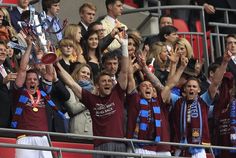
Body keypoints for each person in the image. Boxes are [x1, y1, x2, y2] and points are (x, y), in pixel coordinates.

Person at [56, 34, 129, 158]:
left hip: (119, 145)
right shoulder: (91, 99)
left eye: (109, 81)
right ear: (97, 86)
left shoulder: (117, 94)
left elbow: (124, 71)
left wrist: (125, 46)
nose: (107, 83)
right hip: (99, 146)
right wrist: (56, 65)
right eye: (103, 81)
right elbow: (71, 83)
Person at [126, 46, 188, 156]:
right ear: (139, 92)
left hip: (153, 149)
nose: (148, 87)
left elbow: (170, 84)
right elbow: (130, 78)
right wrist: (131, 68)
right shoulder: (134, 99)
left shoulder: (158, 101)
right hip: (135, 147)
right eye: (144, 86)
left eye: (150, 86)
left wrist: (181, 67)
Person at [171, 50, 232, 157]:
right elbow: (167, 87)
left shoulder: (203, 101)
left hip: (198, 150)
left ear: (199, 90)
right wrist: (174, 65)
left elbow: (215, 83)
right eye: (189, 86)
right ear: (184, 89)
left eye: (194, 86)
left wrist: (225, 62)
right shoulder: (177, 101)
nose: (191, 88)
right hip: (180, 148)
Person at [11, 36, 56, 158]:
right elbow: (22, 69)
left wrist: (47, 51)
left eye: (35, 79)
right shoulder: (20, 92)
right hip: (24, 137)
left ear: (38, 81)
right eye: (29, 79)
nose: (32, 81)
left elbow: (49, 73)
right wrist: (29, 46)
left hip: (43, 138)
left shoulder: (44, 93)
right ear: (25, 82)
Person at [65, 63, 93, 135]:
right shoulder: (69, 88)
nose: (86, 75)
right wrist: (90, 99)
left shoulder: (94, 89)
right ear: (76, 74)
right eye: (83, 72)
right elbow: (73, 109)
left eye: (88, 74)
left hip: (93, 130)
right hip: (77, 129)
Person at [0, 41, 17, 128]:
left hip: (9, 117)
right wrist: (3, 81)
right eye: (0, 50)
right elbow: (3, 81)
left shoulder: (7, 70)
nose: (3, 52)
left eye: (4, 50)